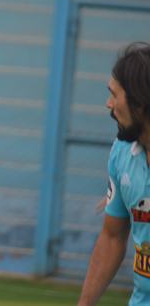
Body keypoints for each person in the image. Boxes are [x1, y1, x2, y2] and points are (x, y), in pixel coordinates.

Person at [79, 43, 150, 306]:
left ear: (139, 104)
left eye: (114, 95)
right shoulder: (122, 153)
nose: (108, 105)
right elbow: (112, 237)